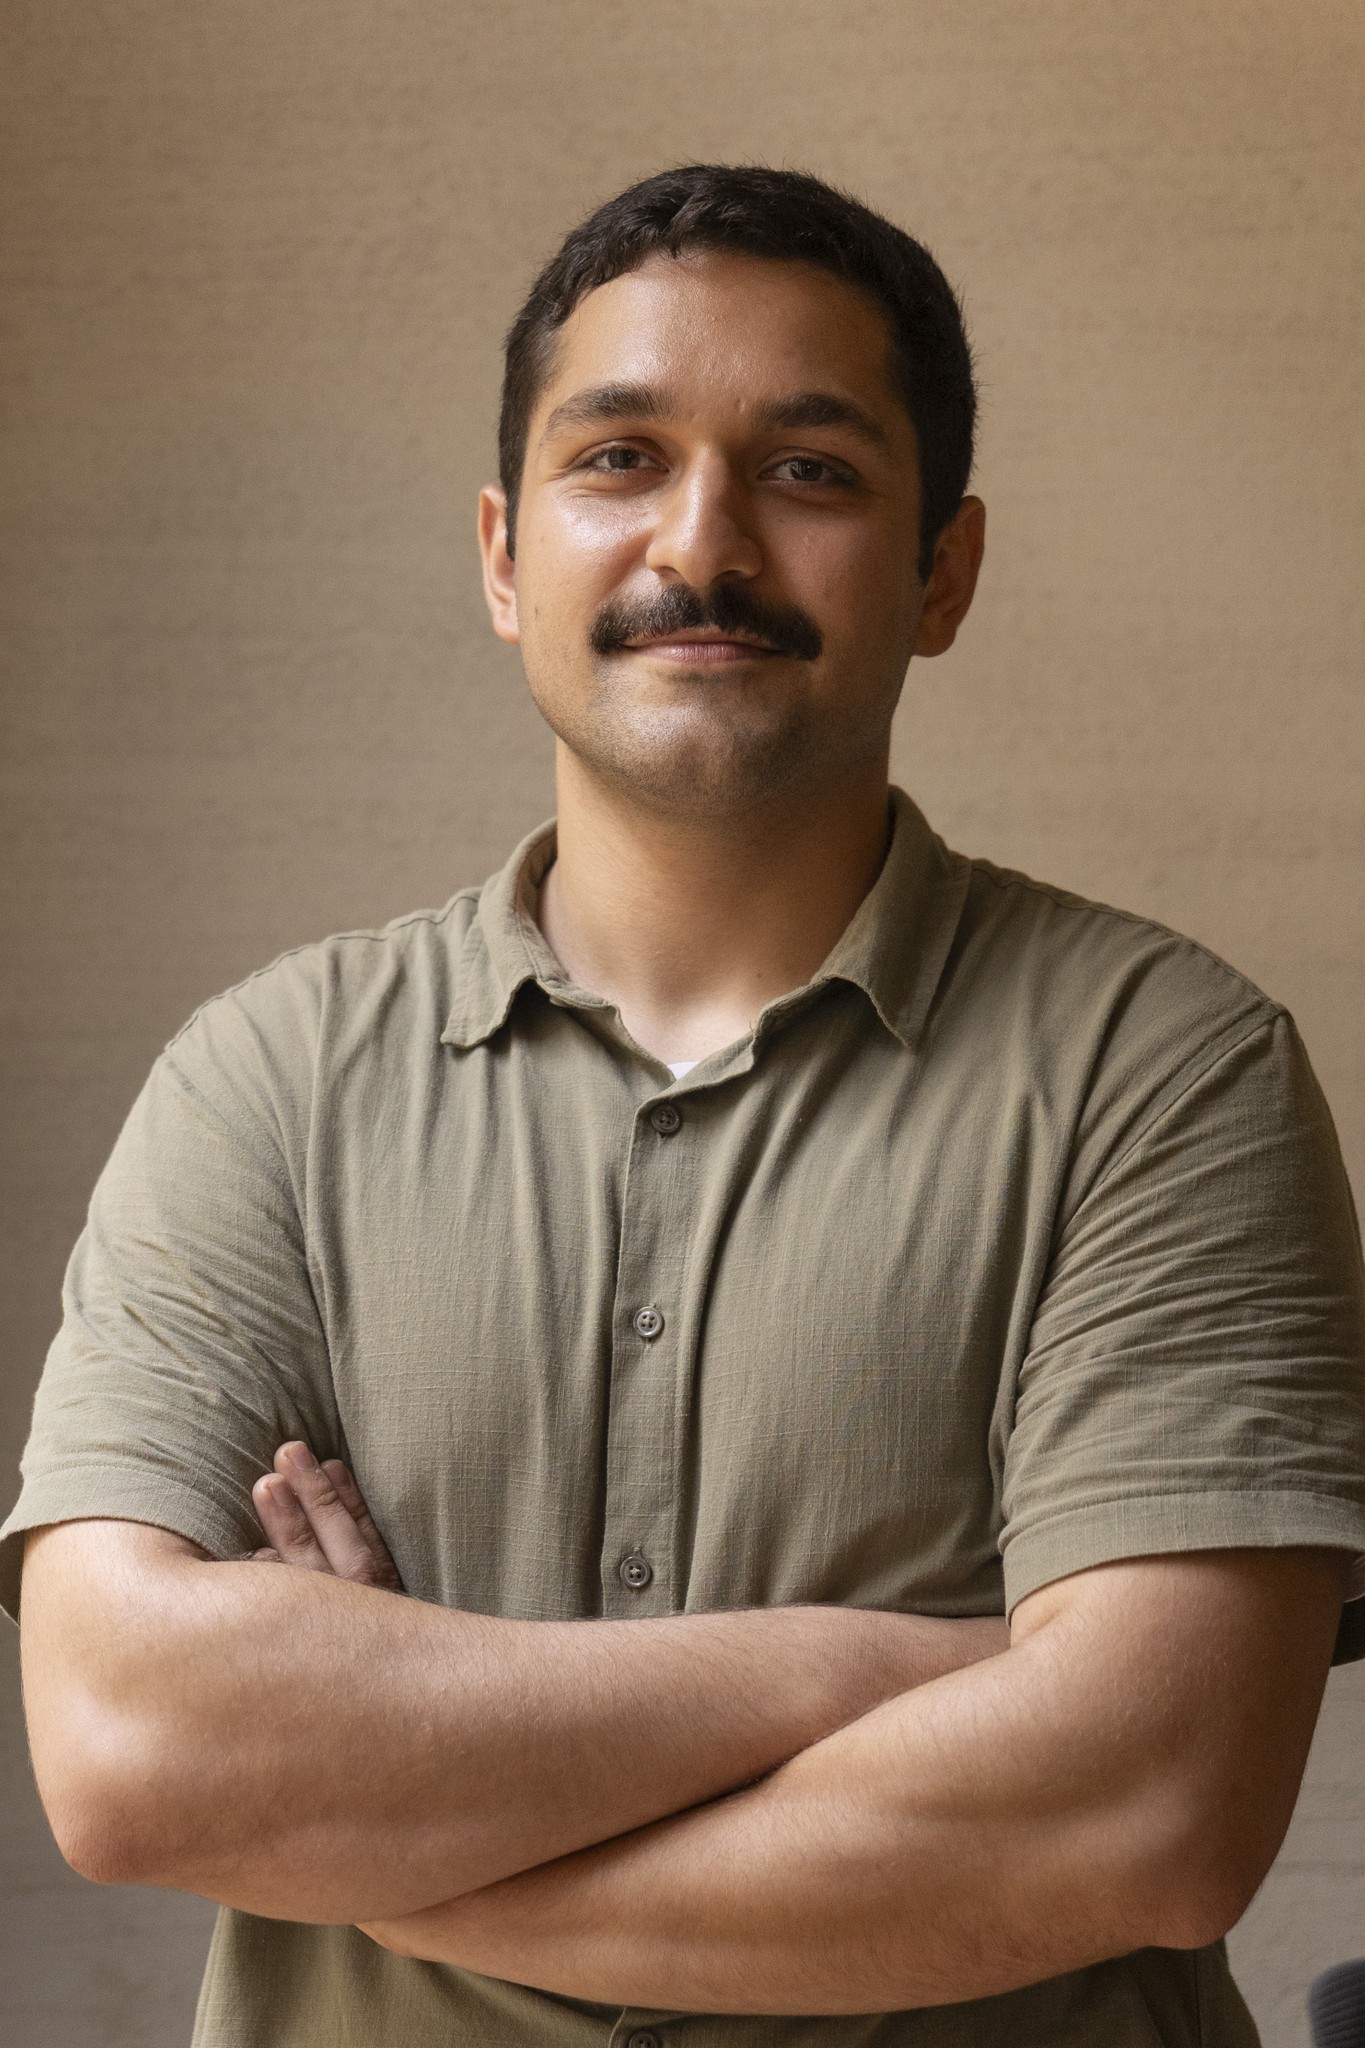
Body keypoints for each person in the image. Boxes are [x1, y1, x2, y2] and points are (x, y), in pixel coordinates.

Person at [5, 164, 1365, 2048]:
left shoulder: (1167, 1070)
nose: (699, 544)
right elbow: (134, 1758)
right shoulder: (267, 1080)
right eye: (618, 458)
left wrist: (377, 1785)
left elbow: (1144, 1814)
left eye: (807, 470)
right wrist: (897, 1676)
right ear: (504, 555)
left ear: (941, 568)